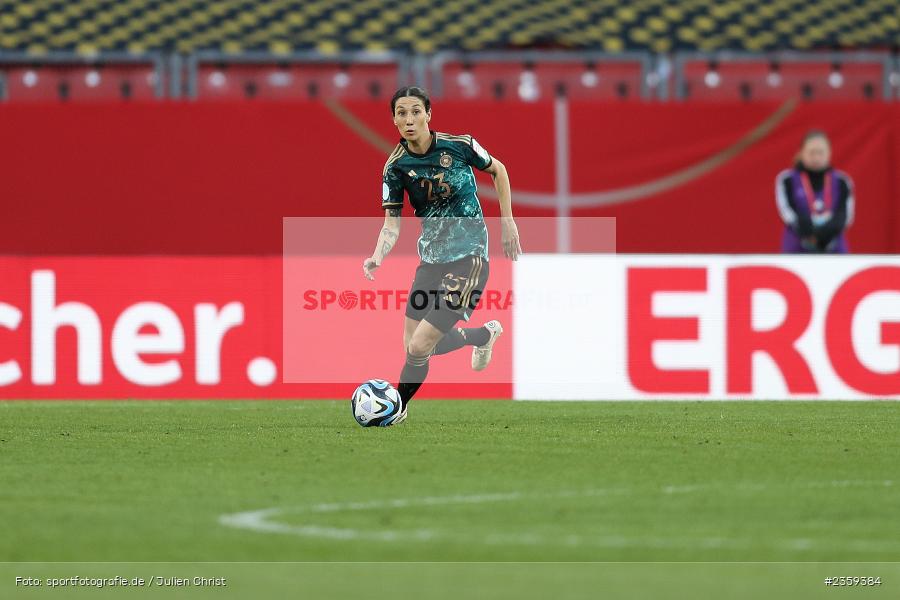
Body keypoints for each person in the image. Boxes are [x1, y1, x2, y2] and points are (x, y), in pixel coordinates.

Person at [363, 86, 521, 425]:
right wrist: (378, 254)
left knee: (420, 346)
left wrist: (507, 222)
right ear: (393, 120)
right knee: (414, 347)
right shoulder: (396, 167)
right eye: (401, 113)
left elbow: (499, 170)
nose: (409, 120)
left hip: (470, 258)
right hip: (431, 262)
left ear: (428, 115)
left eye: (415, 111)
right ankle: (483, 335)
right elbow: (391, 224)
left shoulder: (460, 145)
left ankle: (396, 409)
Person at [776, 129, 855, 253]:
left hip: (834, 249)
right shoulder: (787, 180)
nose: (816, 157)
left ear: (829, 153)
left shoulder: (842, 181)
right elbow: (788, 213)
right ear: (801, 153)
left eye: (821, 152)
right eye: (812, 152)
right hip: (798, 248)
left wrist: (826, 234)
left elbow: (844, 217)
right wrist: (810, 232)